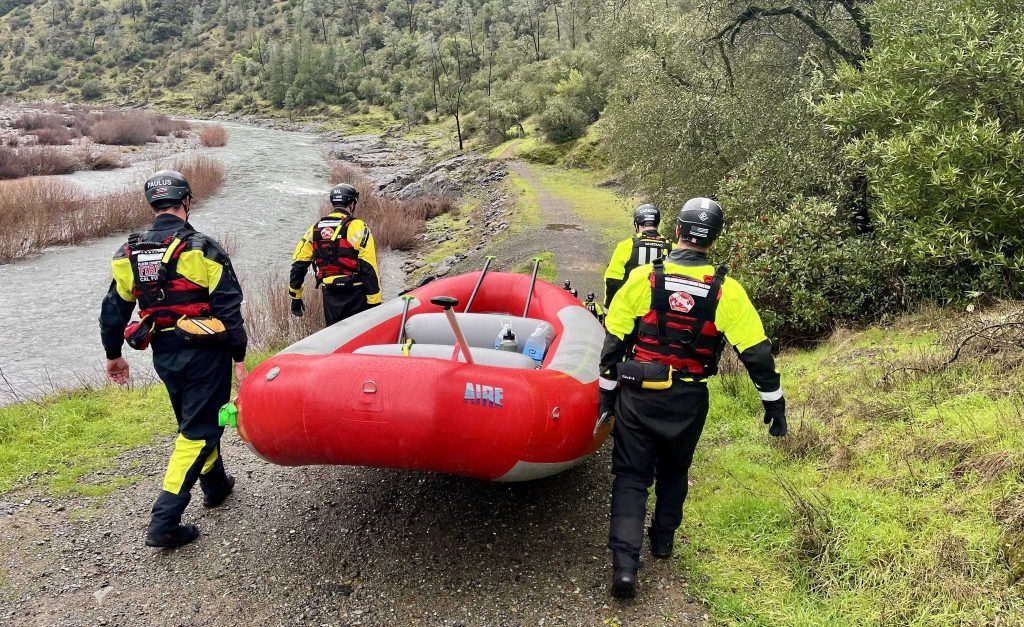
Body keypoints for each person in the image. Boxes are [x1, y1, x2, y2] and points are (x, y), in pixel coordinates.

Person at [598, 197, 786, 599]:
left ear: (678, 231)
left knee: (631, 476)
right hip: (688, 399)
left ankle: (625, 567)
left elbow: (614, 343)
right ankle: (663, 541)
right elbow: (756, 353)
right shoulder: (726, 290)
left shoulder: (644, 278)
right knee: (675, 469)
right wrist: (774, 404)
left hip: (639, 395)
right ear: (713, 239)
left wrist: (606, 397)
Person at [99, 170, 248, 548]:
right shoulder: (203, 248)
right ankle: (164, 520)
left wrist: (114, 355)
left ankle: (215, 485)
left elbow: (114, 309)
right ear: (186, 201)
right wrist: (239, 358)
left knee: (194, 419)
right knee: (197, 430)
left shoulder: (128, 253)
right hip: (206, 353)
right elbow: (229, 309)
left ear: (153, 204)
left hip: (164, 354)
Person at [289, 183, 382, 326]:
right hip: (356, 293)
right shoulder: (358, 227)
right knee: (359, 334)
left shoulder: (314, 229)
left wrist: (295, 297)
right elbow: (368, 266)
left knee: (336, 334)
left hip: (330, 295)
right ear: (351, 203)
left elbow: (298, 265)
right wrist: (375, 302)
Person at [603, 204, 673, 308]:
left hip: (631, 308)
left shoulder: (626, 246)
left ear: (636, 224)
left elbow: (612, 281)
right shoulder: (673, 248)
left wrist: (608, 309)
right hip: (661, 309)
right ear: (657, 223)